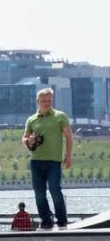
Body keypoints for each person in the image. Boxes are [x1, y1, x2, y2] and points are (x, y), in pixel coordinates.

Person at [22, 88, 72, 229]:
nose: (46, 103)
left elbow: (69, 137)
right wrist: (29, 141)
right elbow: (24, 138)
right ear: (37, 101)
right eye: (43, 101)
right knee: (39, 193)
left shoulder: (60, 116)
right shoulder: (31, 120)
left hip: (54, 162)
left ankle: (62, 220)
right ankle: (46, 220)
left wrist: (68, 156)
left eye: (49, 101)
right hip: (36, 161)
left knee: (55, 189)